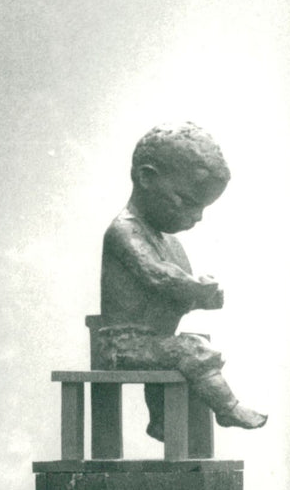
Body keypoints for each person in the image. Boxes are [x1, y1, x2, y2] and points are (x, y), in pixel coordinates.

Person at [98, 121, 267, 441]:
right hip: (122, 344)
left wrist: (200, 296)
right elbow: (157, 275)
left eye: (202, 207)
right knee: (192, 348)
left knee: (187, 342)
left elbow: (173, 290)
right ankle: (228, 409)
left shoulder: (170, 244)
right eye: (187, 201)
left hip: (152, 340)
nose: (197, 216)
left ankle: (162, 421)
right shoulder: (124, 230)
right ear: (146, 178)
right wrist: (194, 289)